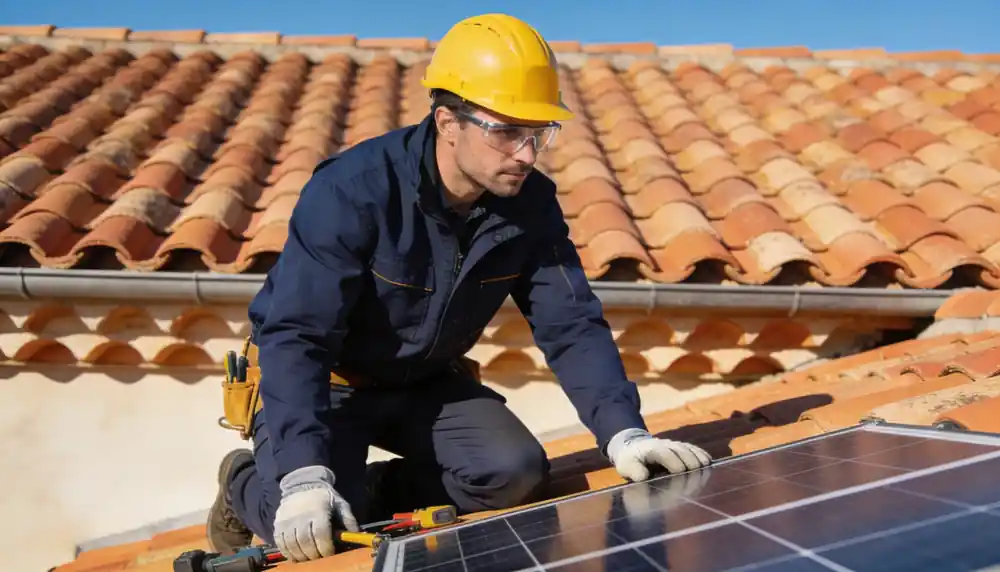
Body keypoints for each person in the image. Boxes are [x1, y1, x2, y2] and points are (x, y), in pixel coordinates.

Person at [205, 13, 712, 562]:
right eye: (507, 132)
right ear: (448, 122)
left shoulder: (531, 204)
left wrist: (625, 434)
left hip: (421, 383)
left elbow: (571, 323)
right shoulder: (351, 192)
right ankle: (244, 484)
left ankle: (369, 492)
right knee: (322, 527)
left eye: (538, 134)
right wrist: (304, 476)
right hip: (324, 385)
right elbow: (297, 334)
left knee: (515, 473)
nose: (526, 154)